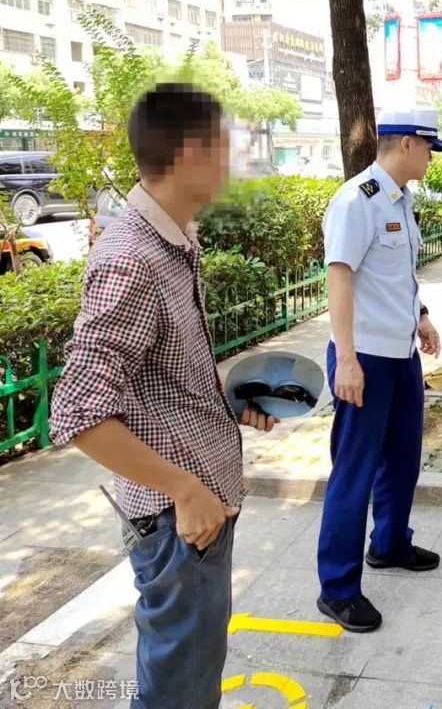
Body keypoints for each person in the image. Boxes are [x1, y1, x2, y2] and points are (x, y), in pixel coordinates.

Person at [49, 84, 278, 708]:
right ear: (190, 153)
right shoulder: (132, 257)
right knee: (179, 691)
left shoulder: (173, 239)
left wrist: (226, 402)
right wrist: (185, 490)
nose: (234, 160)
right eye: (225, 146)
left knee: (191, 679)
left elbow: (156, 381)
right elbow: (78, 411)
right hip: (181, 524)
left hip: (196, 510)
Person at [317, 108, 442, 633]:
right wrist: (347, 359)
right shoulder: (357, 201)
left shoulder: (401, 200)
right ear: (408, 144)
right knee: (354, 473)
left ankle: (390, 545)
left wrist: (422, 316)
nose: (432, 158)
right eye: (430, 148)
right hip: (365, 358)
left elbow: (397, 275)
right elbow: (340, 278)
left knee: (402, 459)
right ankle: (338, 589)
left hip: (400, 354)